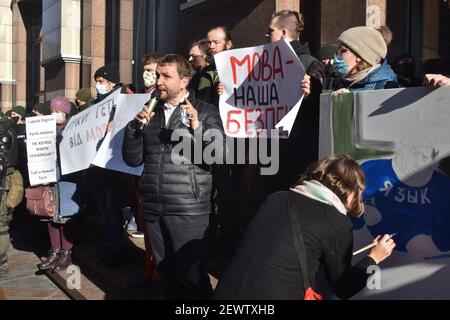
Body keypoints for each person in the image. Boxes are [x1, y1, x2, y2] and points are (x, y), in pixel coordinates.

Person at [214, 155, 396, 300]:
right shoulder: (336, 222)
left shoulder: (276, 197)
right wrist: (373, 258)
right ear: (348, 190)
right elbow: (344, 287)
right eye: (359, 191)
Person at [122, 54, 225, 299]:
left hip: (187, 208)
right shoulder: (150, 113)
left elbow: (218, 156)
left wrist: (196, 128)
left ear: (184, 81)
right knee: (167, 274)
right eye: (158, 75)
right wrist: (134, 130)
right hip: (154, 207)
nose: (158, 81)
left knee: (192, 277)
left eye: (166, 76)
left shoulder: (205, 111)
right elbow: (132, 159)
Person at [37, 96, 84, 272]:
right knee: (51, 218)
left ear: (65, 112)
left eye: (57, 111)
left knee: (65, 219)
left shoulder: (74, 129)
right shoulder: (47, 129)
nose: (54, 114)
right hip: (50, 179)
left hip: (68, 181)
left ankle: (66, 253)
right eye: (52, 111)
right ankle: (54, 250)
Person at [332, 26, 398, 92]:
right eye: (337, 51)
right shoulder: (343, 82)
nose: (337, 56)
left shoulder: (386, 87)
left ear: (360, 56)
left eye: (343, 51)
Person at [0, 117, 23, 280]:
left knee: (1, 226)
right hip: (6, 181)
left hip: (3, 182)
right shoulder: (10, 126)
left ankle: (1, 263)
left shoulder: (5, 129)